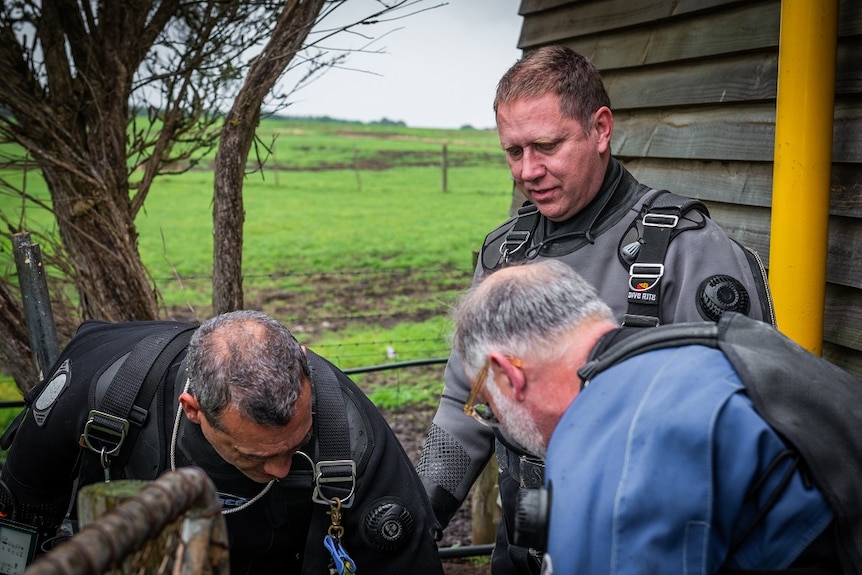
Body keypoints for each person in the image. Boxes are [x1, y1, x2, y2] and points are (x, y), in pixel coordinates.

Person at [417, 45, 776, 574]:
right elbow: (466, 404)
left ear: (600, 130)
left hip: (644, 549)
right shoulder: (503, 255)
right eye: (513, 152)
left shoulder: (687, 250)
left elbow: (750, 431)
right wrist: (411, 517)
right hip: (525, 539)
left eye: (546, 146)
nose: (528, 171)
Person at [449, 259, 839, 574]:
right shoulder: (696, 356)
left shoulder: (609, 442)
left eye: (487, 403)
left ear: (508, 373)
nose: (495, 417)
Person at [0, 310, 444, 575]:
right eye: (257, 456)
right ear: (192, 408)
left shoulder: (352, 437)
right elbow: (20, 511)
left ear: (304, 362)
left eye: (295, 445)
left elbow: (408, 564)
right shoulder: (102, 389)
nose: (281, 470)